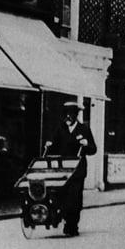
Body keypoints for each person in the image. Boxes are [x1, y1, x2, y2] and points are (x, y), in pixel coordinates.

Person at [43, 101, 96, 237]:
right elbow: (53, 147)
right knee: (61, 196)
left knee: (74, 199)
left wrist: (86, 144)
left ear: (76, 114)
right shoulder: (60, 129)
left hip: (77, 171)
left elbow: (93, 149)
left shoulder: (84, 129)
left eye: (71, 114)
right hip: (63, 170)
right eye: (66, 114)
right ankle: (64, 219)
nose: (68, 117)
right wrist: (49, 145)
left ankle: (72, 226)